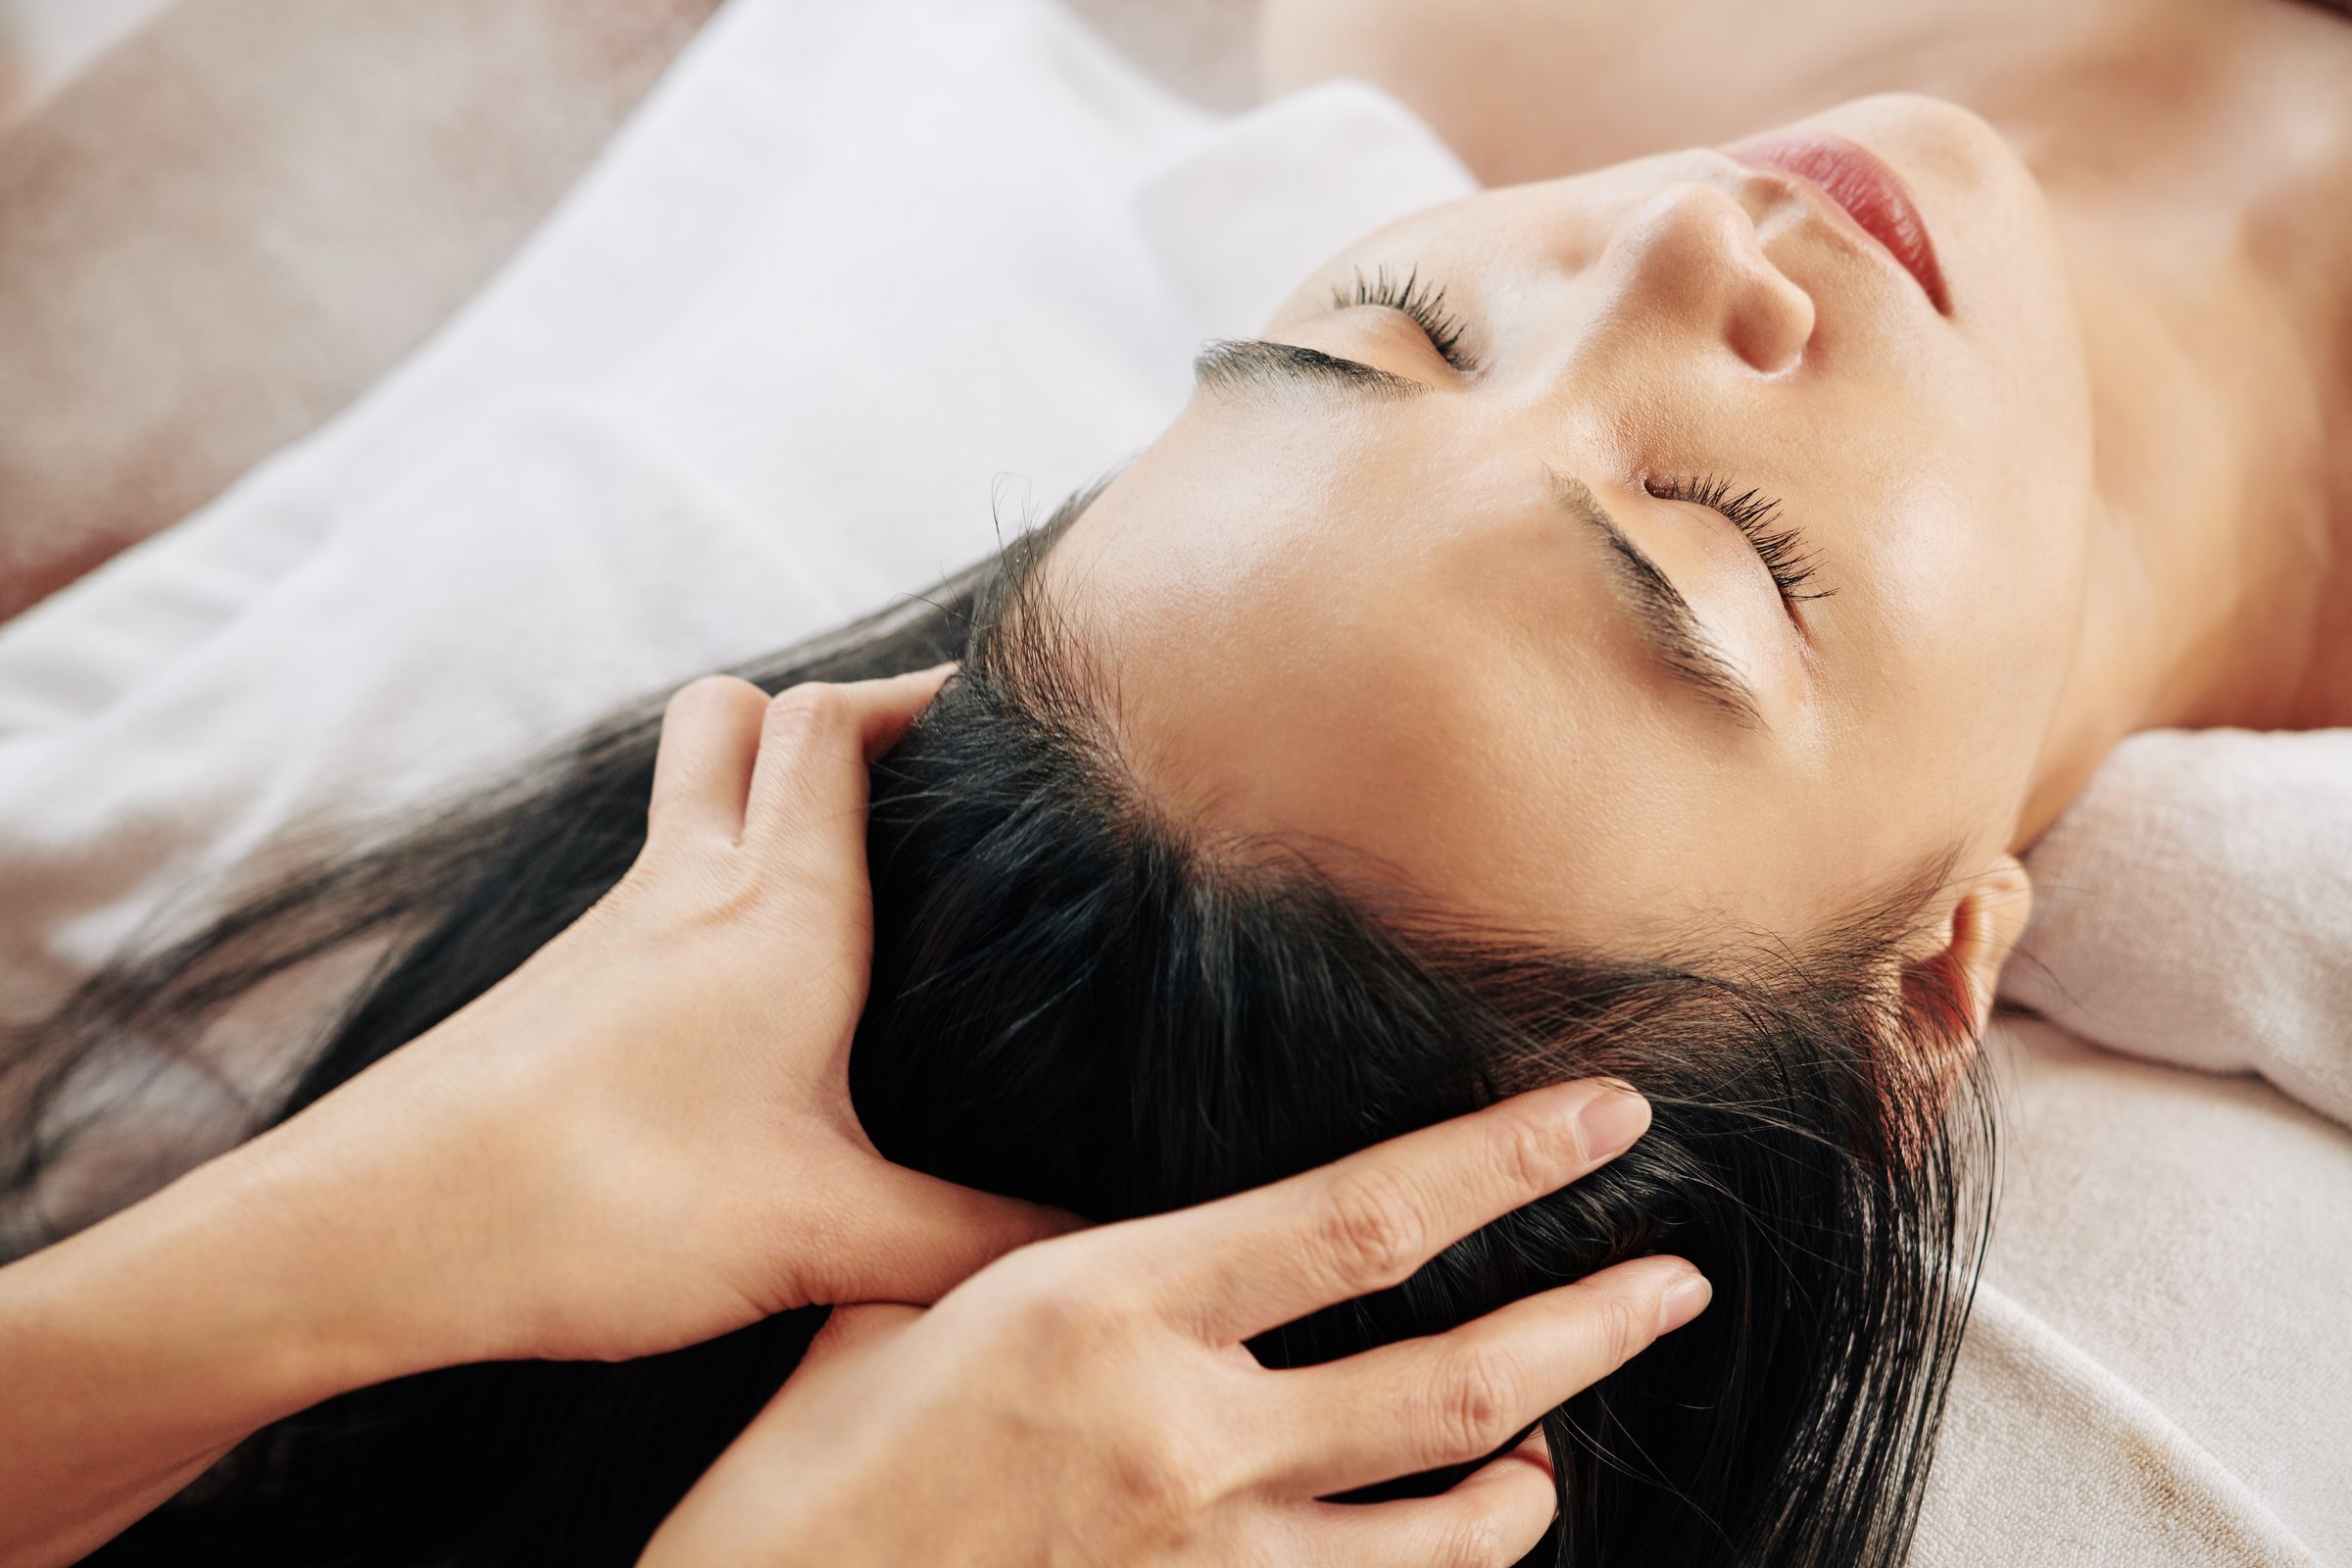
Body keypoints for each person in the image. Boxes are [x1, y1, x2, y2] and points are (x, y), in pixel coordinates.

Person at [2, 0, 2346, 1564]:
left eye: (1389, 334)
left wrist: (311, 1253)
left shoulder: (1458, 31)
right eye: (1714, 552)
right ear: (1929, 983)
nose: (1663, 248)